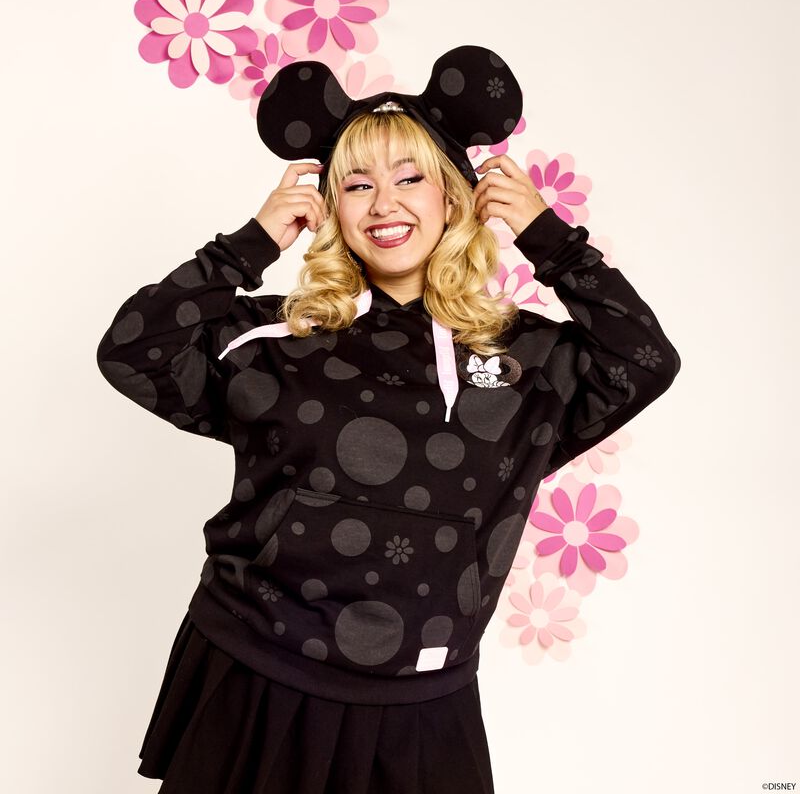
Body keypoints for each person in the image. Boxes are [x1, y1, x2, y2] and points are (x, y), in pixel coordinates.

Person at [96, 46, 681, 794]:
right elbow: (133, 351)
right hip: (256, 669)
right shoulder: (275, 335)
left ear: (454, 197)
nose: (384, 204)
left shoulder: (526, 358)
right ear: (328, 207)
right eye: (357, 184)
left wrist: (552, 241)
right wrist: (247, 247)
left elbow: (644, 360)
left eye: (410, 178)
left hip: (424, 700)